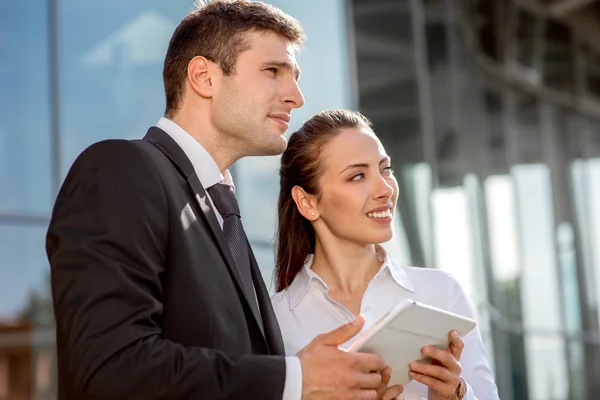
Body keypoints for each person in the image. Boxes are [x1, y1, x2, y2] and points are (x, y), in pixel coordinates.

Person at [46, 2, 400, 399]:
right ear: (204, 77)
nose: (297, 97)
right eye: (273, 71)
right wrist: (296, 378)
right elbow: (109, 367)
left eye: (295, 77)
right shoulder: (121, 169)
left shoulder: (221, 212)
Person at [271, 109, 501, 400]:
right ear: (307, 202)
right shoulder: (275, 322)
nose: (385, 189)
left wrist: (456, 394)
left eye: (386, 169)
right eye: (357, 176)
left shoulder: (441, 294)